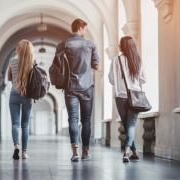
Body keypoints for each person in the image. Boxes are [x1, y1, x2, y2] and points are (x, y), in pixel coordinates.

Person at [55, 19, 100, 161]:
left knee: (72, 119)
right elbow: (96, 66)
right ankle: (85, 152)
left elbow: (57, 65)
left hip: (70, 88)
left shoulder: (62, 45)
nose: (85, 33)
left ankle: (75, 152)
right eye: (85, 30)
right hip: (87, 87)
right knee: (86, 120)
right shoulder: (90, 44)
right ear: (80, 29)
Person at [108, 36, 147, 162]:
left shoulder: (115, 60)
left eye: (120, 43)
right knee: (129, 125)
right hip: (135, 97)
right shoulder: (138, 61)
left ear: (124, 46)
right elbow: (143, 79)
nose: (118, 45)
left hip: (120, 97)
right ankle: (133, 152)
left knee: (127, 125)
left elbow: (111, 80)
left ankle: (127, 152)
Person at [7, 39, 34, 160]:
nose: (16, 47)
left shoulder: (12, 61)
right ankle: (24, 153)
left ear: (20, 49)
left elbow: (9, 78)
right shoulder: (32, 62)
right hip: (27, 95)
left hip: (14, 94)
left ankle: (16, 146)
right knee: (25, 125)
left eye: (17, 45)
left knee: (15, 124)